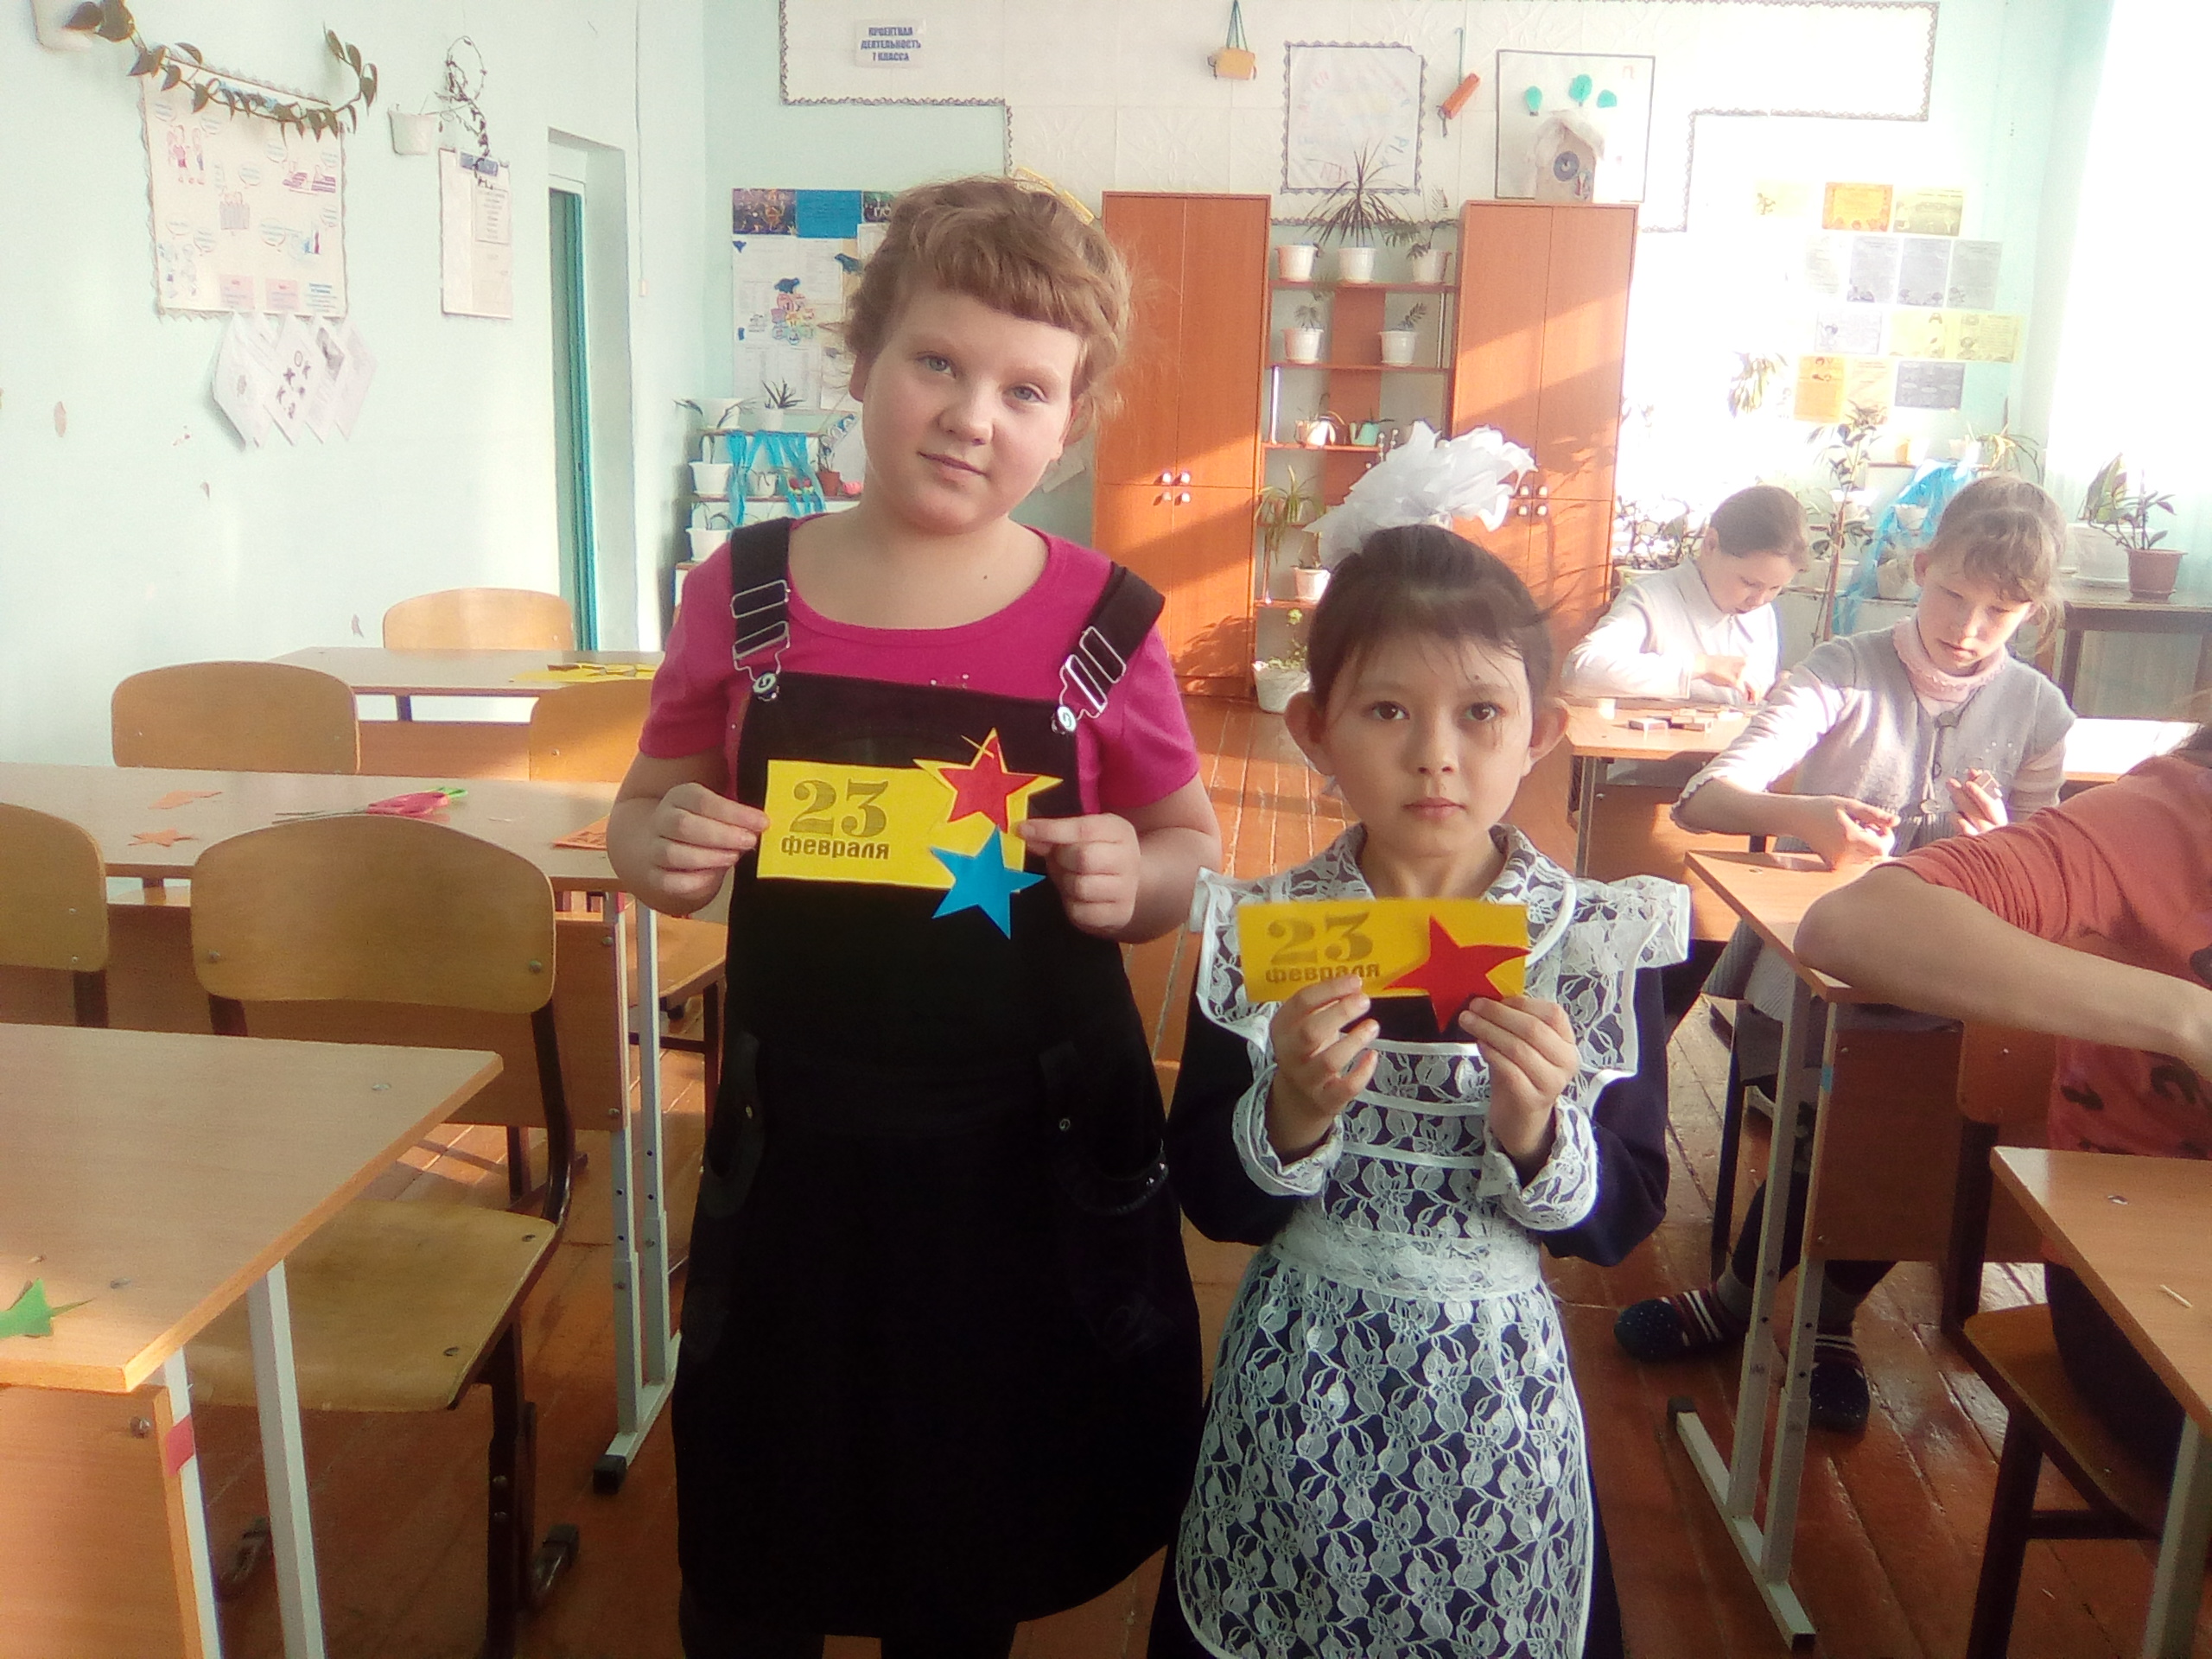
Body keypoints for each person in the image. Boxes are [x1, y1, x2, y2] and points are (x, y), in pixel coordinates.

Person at [608, 175, 1221, 1659]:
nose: (970, 417)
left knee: (967, 1521)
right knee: (759, 1530)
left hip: (1017, 1166)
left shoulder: (1106, 626)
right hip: (796, 1155)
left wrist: (1133, 881)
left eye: (1025, 390)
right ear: (863, 352)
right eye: (936, 362)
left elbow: (1188, 847)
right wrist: (660, 850)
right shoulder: (746, 593)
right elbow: (641, 810)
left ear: (1071, 420)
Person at [1148, 525, 1689, 1659]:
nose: (1435, 757)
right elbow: (1209, 1193)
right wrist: (1291, 1111)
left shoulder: (1590, 942)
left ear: (1540, 732)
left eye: (1480, 712)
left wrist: (1536, 1131)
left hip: (1497, 1404)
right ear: (1315, 730)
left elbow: (1624, 1214)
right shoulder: (1267, 934)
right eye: (1388, 710)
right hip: (1298, 1385)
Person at [1611, 474, 2075, 1433]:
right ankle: (1743, 1304)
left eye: (1999, 612)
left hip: (1951, 988)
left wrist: (2001, 848)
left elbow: (2048, 876)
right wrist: (1809, 816)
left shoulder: (2038, 711)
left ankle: (1823, 1321)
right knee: (1826, 1131)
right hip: (1819, 972)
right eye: (1951, 594)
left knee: (1917, 1135)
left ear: (2031, 612)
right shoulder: (1841, 669)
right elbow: (1704, 798)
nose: (1968, 628)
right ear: (1920, 568)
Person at [1793, 721, 2211, 1478]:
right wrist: (2189, 1019)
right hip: (2140, 1281)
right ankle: (1753, 1301)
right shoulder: (2168, 817)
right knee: (1872, 1129)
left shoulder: (2037, 709)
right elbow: (1849, 923)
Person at [1561, 483, 1809, 707]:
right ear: (1711, 544)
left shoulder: (1761, 613)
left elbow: (1747, 701)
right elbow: (1580, 671)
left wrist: (1776, 692)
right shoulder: (1652, 598)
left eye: (1775, 588)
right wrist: (1699, 667)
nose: (1759, 600)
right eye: (1749, 583)